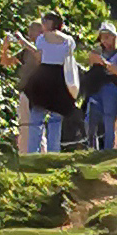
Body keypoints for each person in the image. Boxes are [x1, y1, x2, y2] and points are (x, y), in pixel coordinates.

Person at [16, 13, 79, 156]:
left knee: (36, 117)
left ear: (50, 23)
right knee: (56, 119)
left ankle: (33, 152)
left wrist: (24, 43)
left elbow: (39, 57)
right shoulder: (69, 40)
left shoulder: (41, 39)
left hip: (43, 76)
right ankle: (53, 152)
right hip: (59, 78)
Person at [79, 23, 117, 156]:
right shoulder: (99, 51)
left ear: (114, 37)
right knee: (90, 119)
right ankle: (91, 149)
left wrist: (103, 63)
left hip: (111, 88)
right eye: (102, 37)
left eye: (107, 37)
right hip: (96, 87)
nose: (104, 41)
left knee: (108, 119)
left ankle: (108, 151)